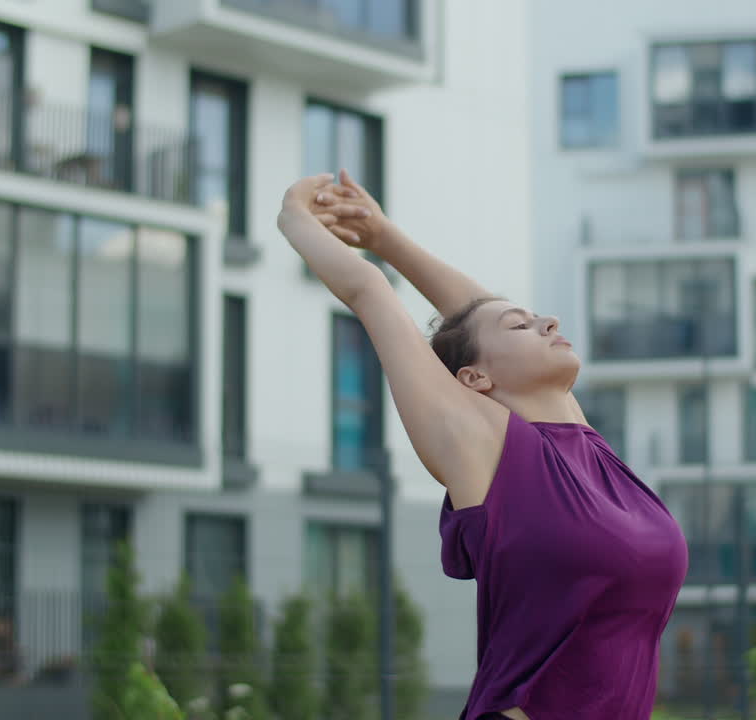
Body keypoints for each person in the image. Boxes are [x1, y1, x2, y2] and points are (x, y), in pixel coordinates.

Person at [278, 171, 689, 720]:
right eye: (523, 327)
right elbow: (368, 291)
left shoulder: (584, 447)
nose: (549, 322)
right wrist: (294, 217)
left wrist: (382, 235)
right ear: (473, 380)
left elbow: (477, 313)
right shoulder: (484, 450)